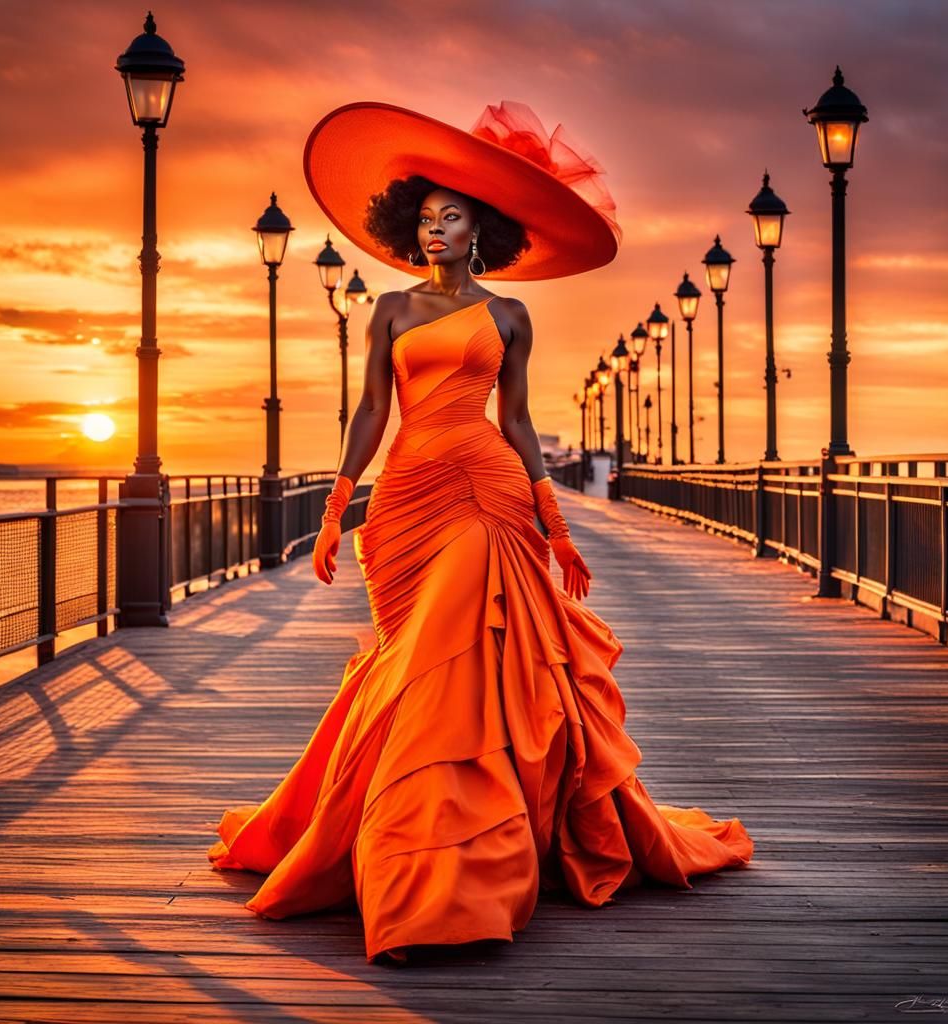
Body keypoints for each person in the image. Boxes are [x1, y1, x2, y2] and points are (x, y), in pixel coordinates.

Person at [207, 100, 754, 965]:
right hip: (406, 499)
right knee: (411, 658)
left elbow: (523, 423)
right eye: (424, 219)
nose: (435, 230)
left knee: (455, 663)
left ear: (479, 230)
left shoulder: (508, 318)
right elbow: (371, 410)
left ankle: (448, 869)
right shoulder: (389, 309)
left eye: (451, 218)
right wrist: (333, 508)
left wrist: (558, 526)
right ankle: (422, 836)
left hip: (488, 494)